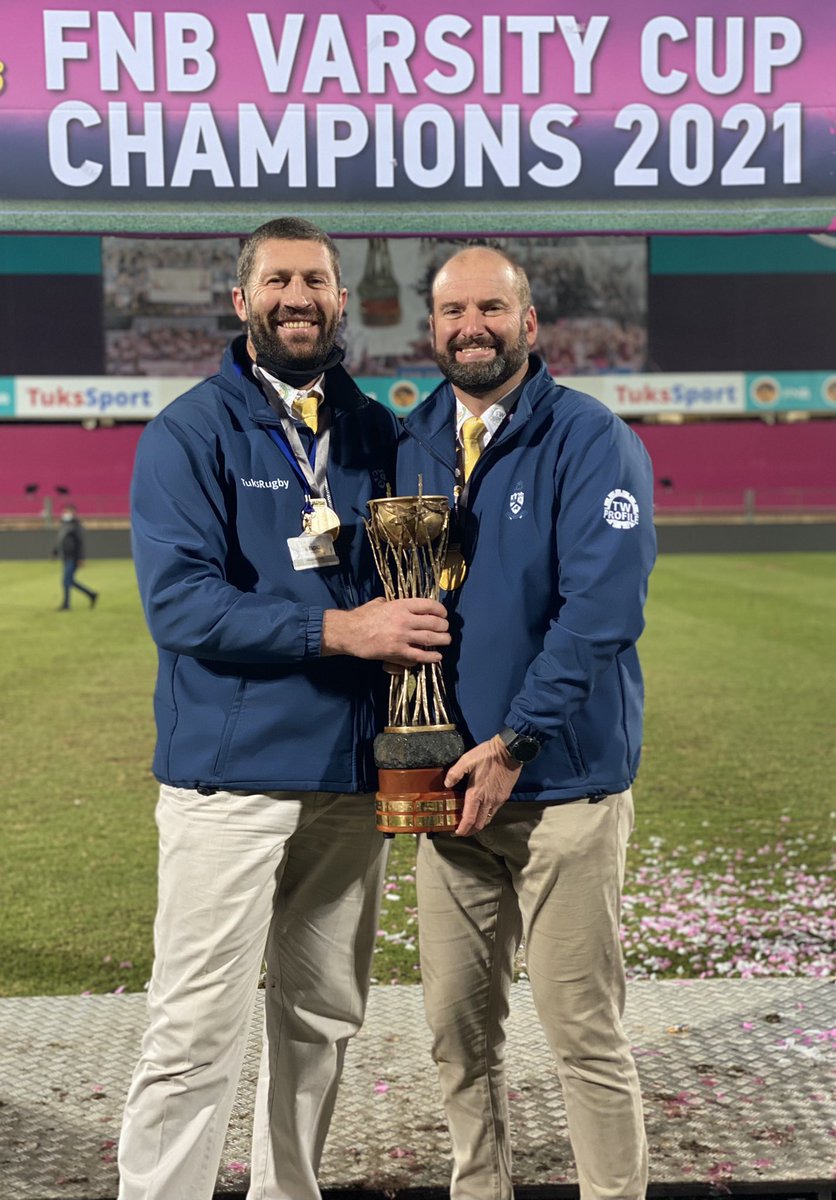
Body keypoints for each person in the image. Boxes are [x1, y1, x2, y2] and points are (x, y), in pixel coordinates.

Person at [118, 217, 450, 1200]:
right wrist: (340, 634)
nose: (296, 296)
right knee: (193, 1028)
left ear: (342, 300)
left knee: (318, 1021)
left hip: (350, 782)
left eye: (314, 279)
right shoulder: (189, 431)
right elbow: (177, 605)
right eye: (276, 280)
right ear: (242, 300)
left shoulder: (377, 433)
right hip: (231, 783)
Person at [396, 246, 656, 1200]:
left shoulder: (593, 440)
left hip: (561, 790)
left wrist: (513, 743)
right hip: (446, 794)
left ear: (529, 322)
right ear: (432, 327)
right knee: (455, 1035)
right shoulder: (413, 439)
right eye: (453, 310)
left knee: (583, 1032)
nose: (472, 326)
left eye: (491, 309)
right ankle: (481, 1189)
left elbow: (601, 613)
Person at [53, 503, 98, 609]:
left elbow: (80, 542)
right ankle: (91, 594)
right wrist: (55, 551)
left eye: (68, 511)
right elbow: (60, 540)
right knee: (68, 581)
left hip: (73, 557)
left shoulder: (76, 525)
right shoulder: (64, 524)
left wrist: (81, 558)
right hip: (66, 556)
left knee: (66, 581)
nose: (65, 514)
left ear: (73, 513)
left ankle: (67, 604)